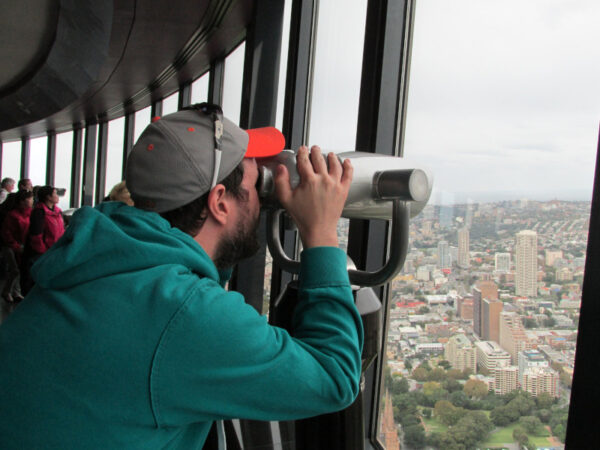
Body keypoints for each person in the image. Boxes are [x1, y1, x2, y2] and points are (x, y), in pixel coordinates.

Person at [0, 103, 363, 449]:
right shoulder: (181, 314)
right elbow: (334, 376)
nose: (262, 198)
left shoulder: (93, 264)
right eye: (257, 185)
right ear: (220, 202)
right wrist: (321, 232)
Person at [0, 190, 34, 302]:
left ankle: (16, 292)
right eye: (30, 198)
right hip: (10, 246)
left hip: (23, 246)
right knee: (15, 270)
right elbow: (7, 233)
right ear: (22, 201)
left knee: (20, 269)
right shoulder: (13, 215)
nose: (32, 200)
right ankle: (7, 291)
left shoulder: (30, 213)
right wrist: (15, 246)